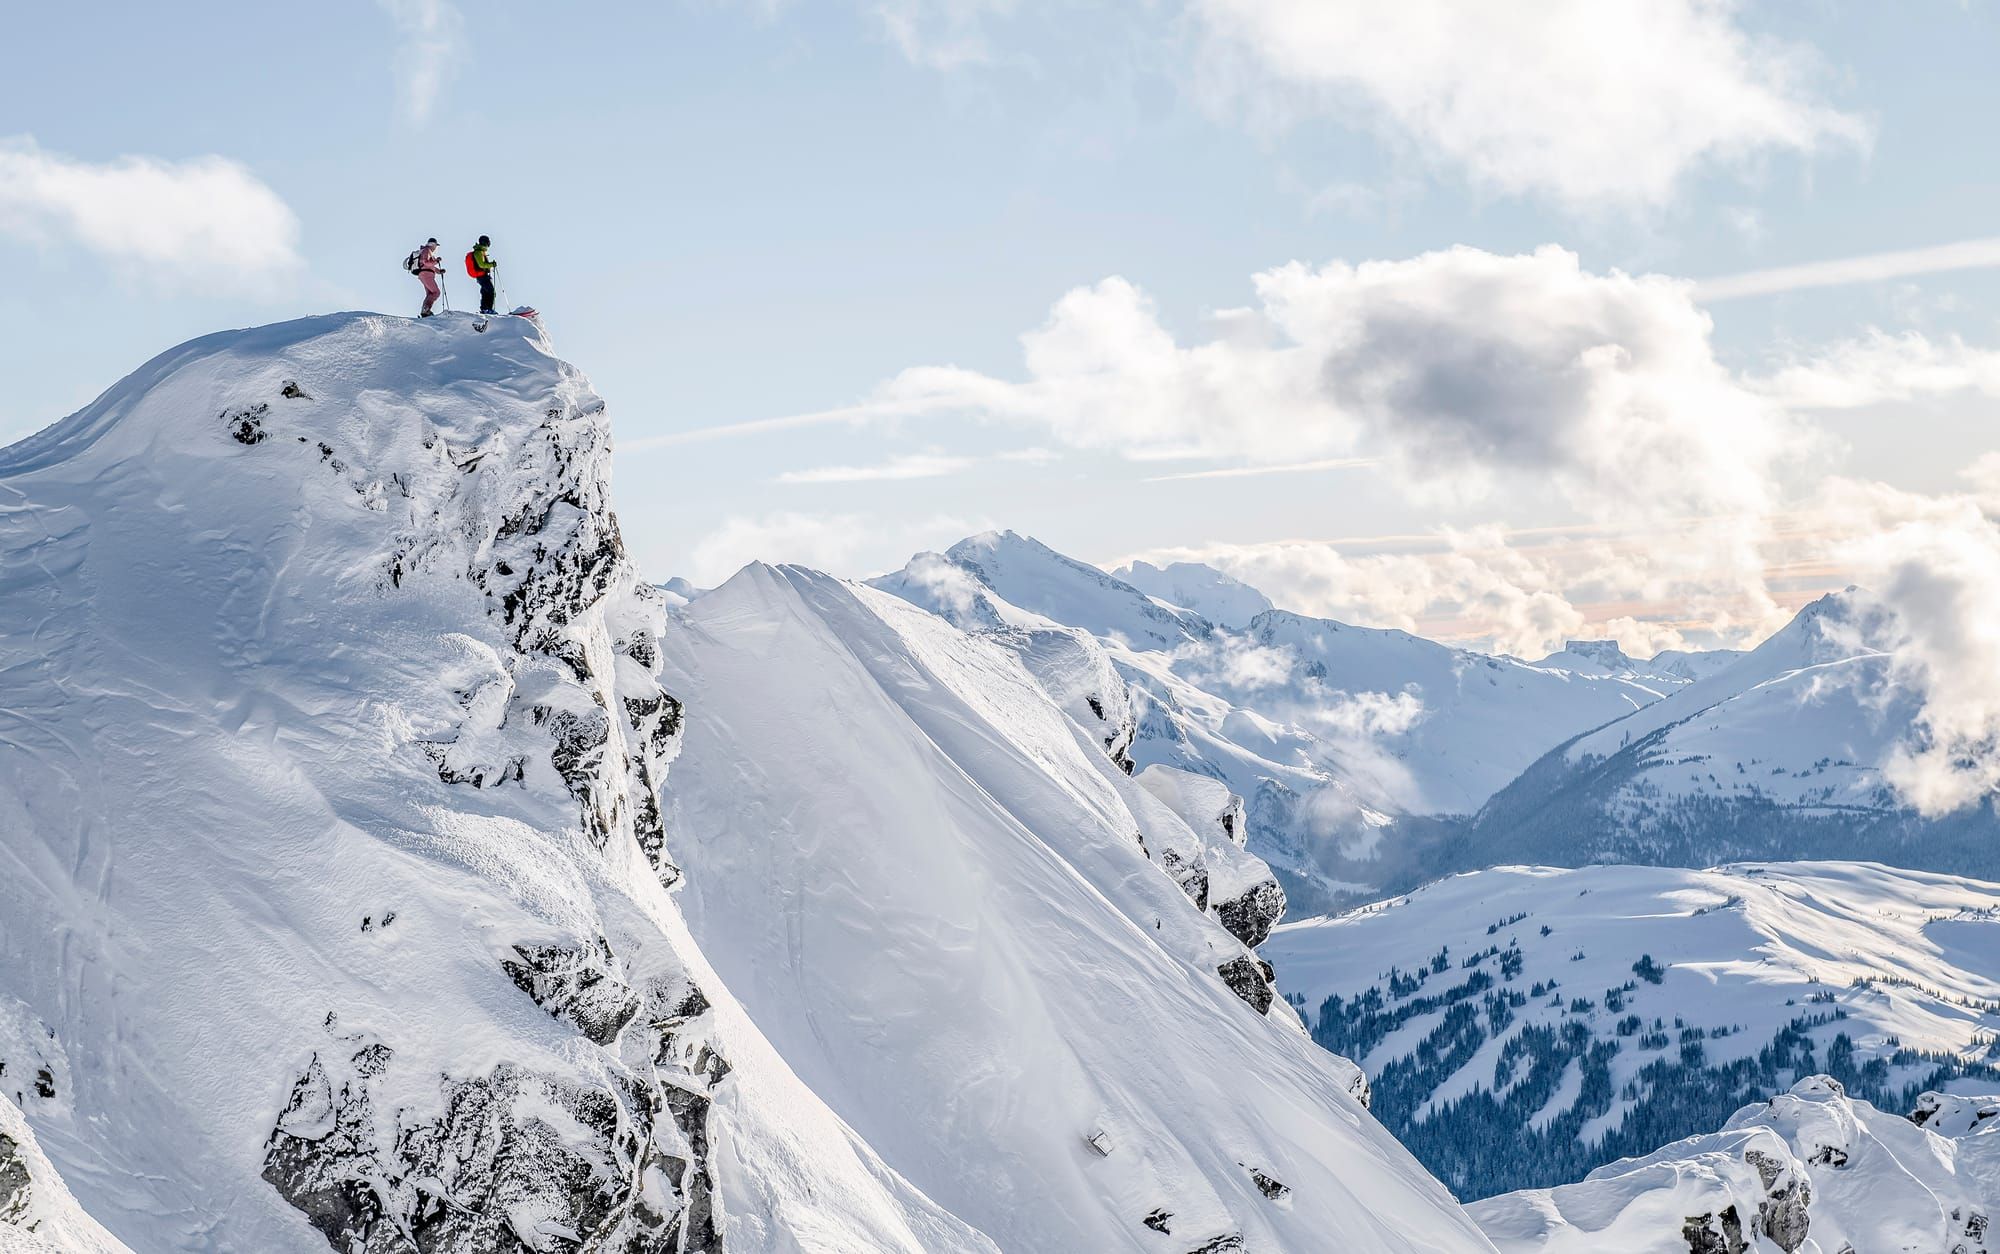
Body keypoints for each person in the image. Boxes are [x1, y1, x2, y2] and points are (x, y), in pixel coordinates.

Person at [468, 235, 497, 314]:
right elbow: (481, 265)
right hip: (482, 276)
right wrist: (491, 264)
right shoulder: (478, 252)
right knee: (491, 291)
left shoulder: (481, 251)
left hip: (481, 276)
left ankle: (484, 309)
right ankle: (488, 309)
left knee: (485, 292)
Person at [415, 238, 444, 317]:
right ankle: (425, 309)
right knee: (436, 292)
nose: (436, 248)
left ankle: (425, 311)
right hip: (426, 274)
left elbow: (429, 266)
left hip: (425, 274)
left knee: (430, 293)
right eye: (435, 246)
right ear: (433, 244)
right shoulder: (427, 250)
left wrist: (439, 271)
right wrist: (436, 261)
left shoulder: (427, 251)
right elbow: (426, 263)